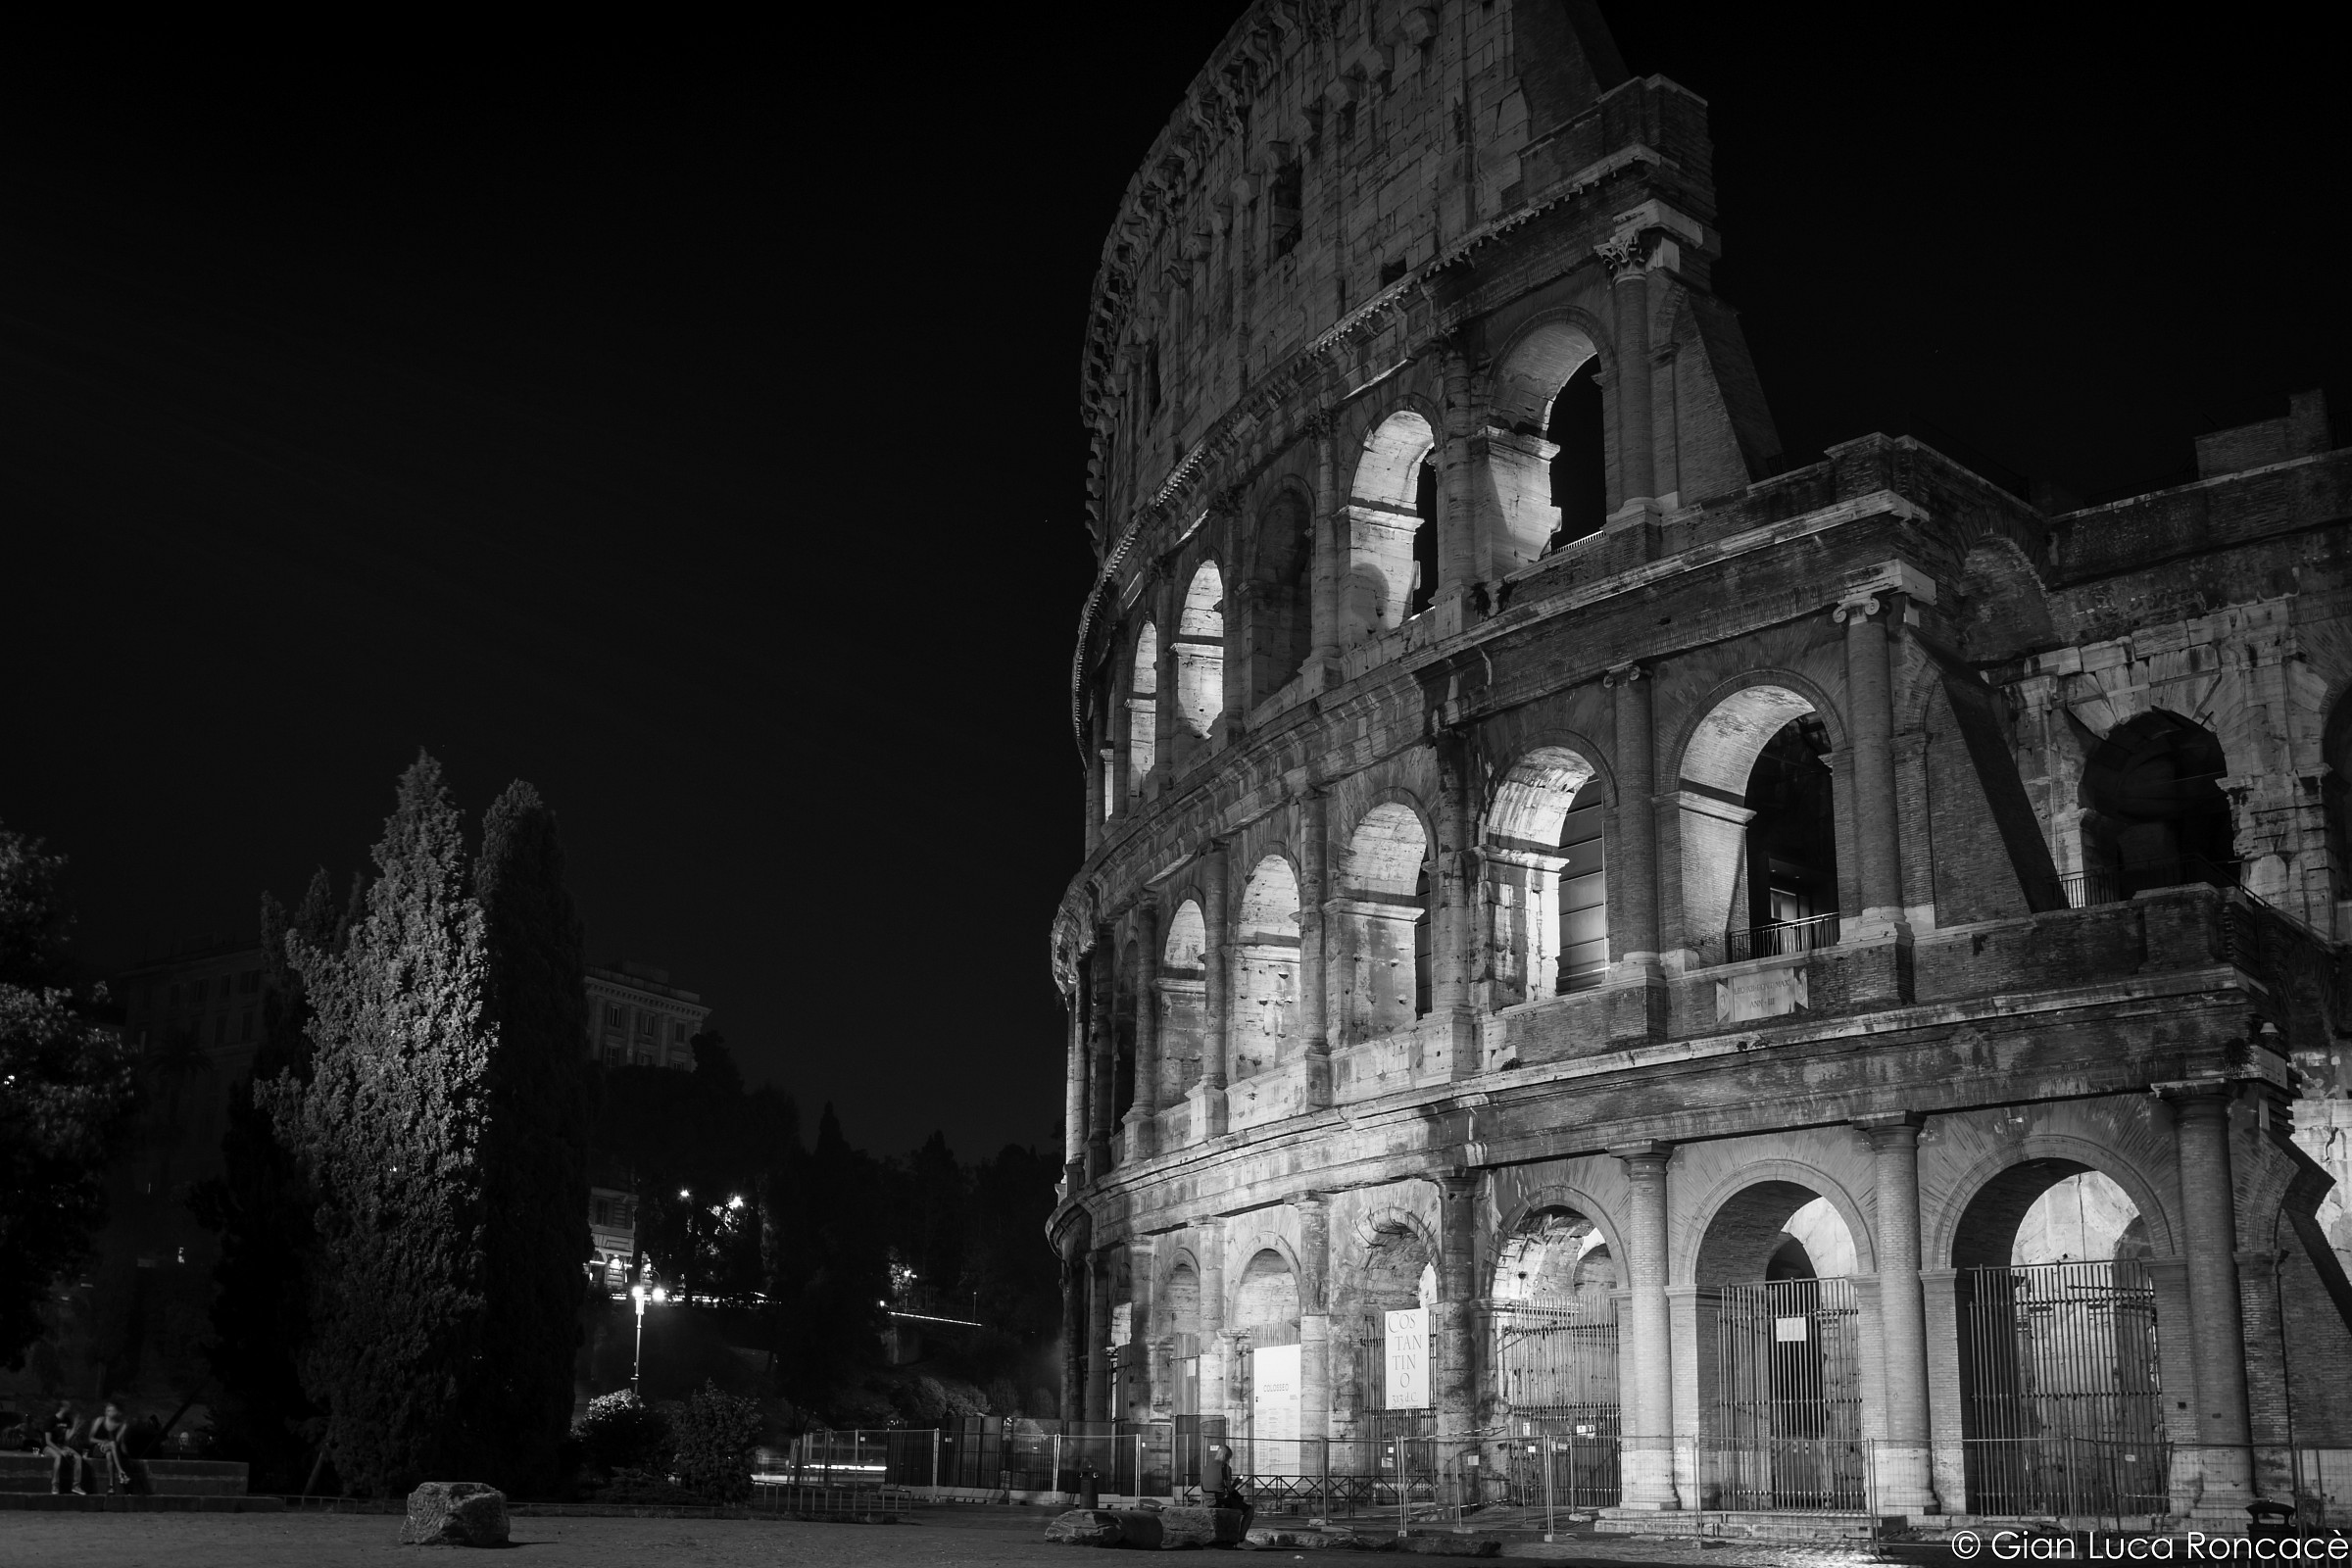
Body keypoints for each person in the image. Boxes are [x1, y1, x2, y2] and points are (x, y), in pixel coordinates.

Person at [1200, 1443, 1253, 1530]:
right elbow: (1230, 1490)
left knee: (1236, 1500)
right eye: (1228, 1458)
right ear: (1225, 1456)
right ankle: (1241, 1537)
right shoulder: (1225, 1467)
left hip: (1208, 1501)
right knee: (1250, 1510)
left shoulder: (1206, 1467)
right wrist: (1237, 1482)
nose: (1228, 1461)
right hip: (1220, 1501)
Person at [86, 1401, 134, 1494]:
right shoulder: (100, 1420)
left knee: (109, 1454)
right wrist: (103, 1442)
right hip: (98, 1448)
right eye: (107, 1410)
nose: (108, 1412)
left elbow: (119, 1442)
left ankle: (111, 1486)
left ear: (117, 1412)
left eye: (111, 1410)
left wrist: (128, 1455)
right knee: (111, 1445)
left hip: (111, 1449)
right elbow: (90, 1439)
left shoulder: (121, 1424)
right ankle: (121, 1472)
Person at [41, 1401, 85, 1495]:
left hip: (62, 1446)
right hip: (48, 1447)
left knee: (78, 1457)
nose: (69, 1409)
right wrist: (60, 1451)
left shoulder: (67, 1420)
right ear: (61, 1408)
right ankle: (55, 1485)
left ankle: (76, 1486)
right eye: (68, 1407)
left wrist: (75, 1425)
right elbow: (48, 1441)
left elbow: (67, 1438)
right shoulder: (50, 1421)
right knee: (58, 1457)